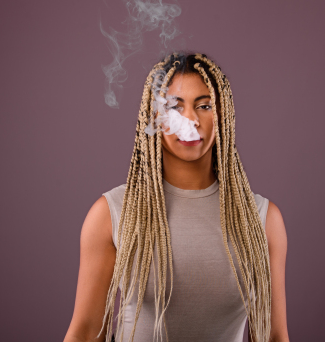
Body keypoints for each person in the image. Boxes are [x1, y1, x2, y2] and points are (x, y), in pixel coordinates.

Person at [63, 53, 289, 342]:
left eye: (205, 106)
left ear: (224, 116)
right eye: (174, 107)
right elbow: (84, 333)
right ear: (154, 116)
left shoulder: (261, 219)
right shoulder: (114, 212)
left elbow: (274, 336)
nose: (191, 120)